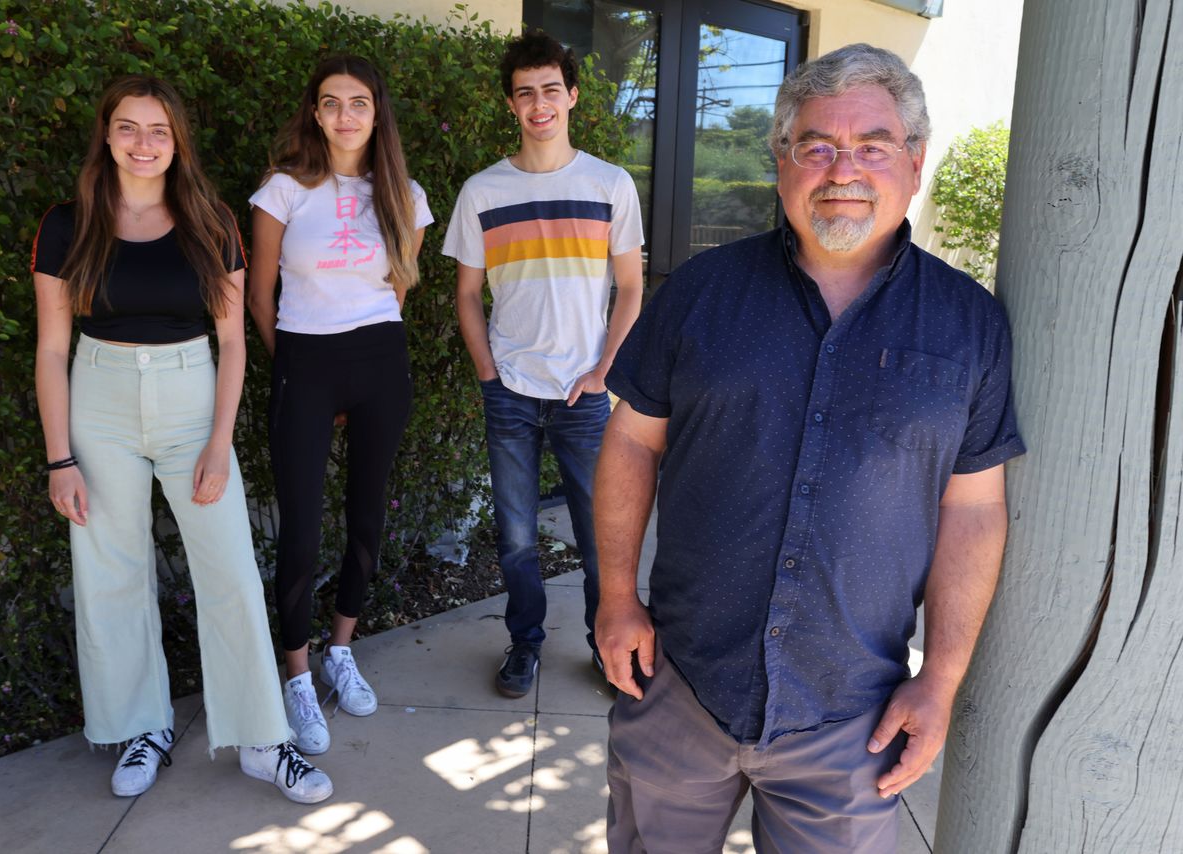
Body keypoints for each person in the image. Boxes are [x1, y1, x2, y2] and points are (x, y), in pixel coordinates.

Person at [595, 44, 1026, 852]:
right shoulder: (698, 292)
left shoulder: (970, 327)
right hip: (682, 686)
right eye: (818, 145)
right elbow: (629, 443)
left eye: (872, 145)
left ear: (915, 160)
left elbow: (974, 509)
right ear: (782, 158)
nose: (843, 169)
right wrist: (616, 597)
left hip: (852, 720)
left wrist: (941, 680)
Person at [32, 75, 332, 804]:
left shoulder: (210, 219)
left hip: (193, 400)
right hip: (98, 398)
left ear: (177, 141)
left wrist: (218, 440)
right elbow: (49, 349)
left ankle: (264, 739)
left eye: (158, 130)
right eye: (129, 128)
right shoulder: (67, 225)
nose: (144, 143)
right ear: (106, 135)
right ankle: (142, 726)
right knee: (110, 571)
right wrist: (59, 458)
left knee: (229, 568)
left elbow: (232, 342)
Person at [443, 29, 644, 699]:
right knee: (518, 540)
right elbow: (467, 294)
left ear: (573, 97)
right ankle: (525, 643)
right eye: (525, 93)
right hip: (510, 392)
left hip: (584, 394)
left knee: (600, 539)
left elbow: (632, 288)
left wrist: (603, 369)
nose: (539, 105)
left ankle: (603, 645)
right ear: (511, 104)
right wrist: (487, 371)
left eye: (550, 91)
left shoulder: (609, 185)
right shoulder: (482, 192)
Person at [247, 56, 432, 752]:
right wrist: (296, 365)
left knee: (365, 517)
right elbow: (260, 295)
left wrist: (365, 362)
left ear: (376, 111)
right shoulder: (283, 191)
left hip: (381, 360)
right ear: (314, 113)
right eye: (332, 103)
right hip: (304, 360)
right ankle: (296, 672)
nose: (346, 116)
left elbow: (399, 286)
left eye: (359, 103)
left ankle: (340, 647)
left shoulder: (405, 195)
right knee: (299, 527)